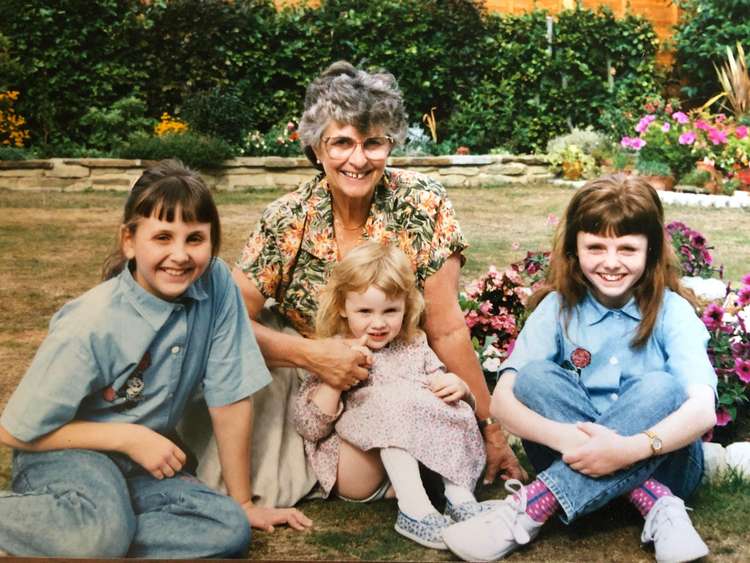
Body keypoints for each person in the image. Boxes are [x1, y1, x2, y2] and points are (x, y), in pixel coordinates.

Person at [186, 60, 524, 508]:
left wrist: (491, 431)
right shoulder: (287, 219)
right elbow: (225, 318)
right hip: (319, 388)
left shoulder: (423, 204)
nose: (358, 159)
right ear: (317, 147)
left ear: (391, 143)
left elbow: (446, 329)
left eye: (373, 143)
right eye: (342, 142)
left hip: (407, 369)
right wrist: (312, 355)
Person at [0, 160, 309, 558]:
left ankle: (94, 531)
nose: (179, 255)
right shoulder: (92, 322)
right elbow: (14, 431)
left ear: (212, 242)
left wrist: (244, 502)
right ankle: (89, 531)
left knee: (228, 528)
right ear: (129, 241)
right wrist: (128, 438)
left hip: (140, 466)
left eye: (195, 239)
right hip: (65, 457)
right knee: (98, 535)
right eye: (162, 237)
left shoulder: (216, 285)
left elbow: (228, 396)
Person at [441, 174, 717, 562]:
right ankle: (652, 500)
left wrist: (626, 449)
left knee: (663, 388)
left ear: (651, 250)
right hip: (571, 454)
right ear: (574, 247)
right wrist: (575, 443)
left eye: (627, 248)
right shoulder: (557, 309)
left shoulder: (673, 312)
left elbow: (702, 410)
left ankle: (535, 504)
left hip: (665, 464)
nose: (610, 262)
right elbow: (502, 402)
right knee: (534, 378)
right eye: (596, 247)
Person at [293, 242, 486, 549]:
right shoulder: (334, 351)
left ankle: (458, 497)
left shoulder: (414, 343)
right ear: (343, 307)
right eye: (365, 311)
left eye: (391, 311)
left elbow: (440, 388)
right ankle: (414, 512)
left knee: (448, 401)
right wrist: (334, 382)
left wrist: (459, 388)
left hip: (413, 464)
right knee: (389, 401)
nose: (379, 323)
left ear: (406, 307)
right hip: (357, 470)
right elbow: (311, 428)